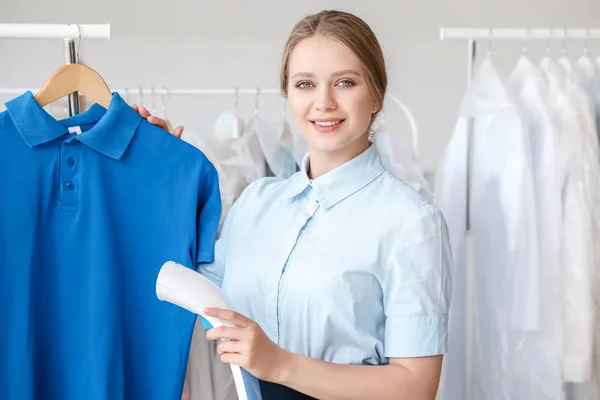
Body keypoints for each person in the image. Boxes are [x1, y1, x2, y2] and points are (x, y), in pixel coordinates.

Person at [133, 10, 453, 400]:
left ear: (376, 95)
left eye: (345, 82)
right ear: (288, 94)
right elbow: (195, 289)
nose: (324, 102)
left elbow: (416, 386)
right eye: (305, 84)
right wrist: (162, 174)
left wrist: (280, 363)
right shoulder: (257, 202)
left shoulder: (411, 224)